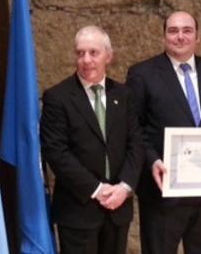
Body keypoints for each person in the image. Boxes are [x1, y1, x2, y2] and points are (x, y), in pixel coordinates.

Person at [126, 11, 201, 254]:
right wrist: (153, 160)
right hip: (162, 192)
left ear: (197, 37)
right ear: (164, 36)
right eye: (173, 30)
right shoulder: (142, 74)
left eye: (187, 30)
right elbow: (133, 129)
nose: (180, 36)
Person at [40, 25, 143, 254]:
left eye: (93, 53)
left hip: (118, 209)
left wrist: (124, 187)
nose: (86, 60)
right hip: (79, 210)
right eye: (80, 53)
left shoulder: (124, 95)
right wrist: (97, 189)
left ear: (109, 56)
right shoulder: (57, 97)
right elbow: (56, 152)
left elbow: (136, 144)